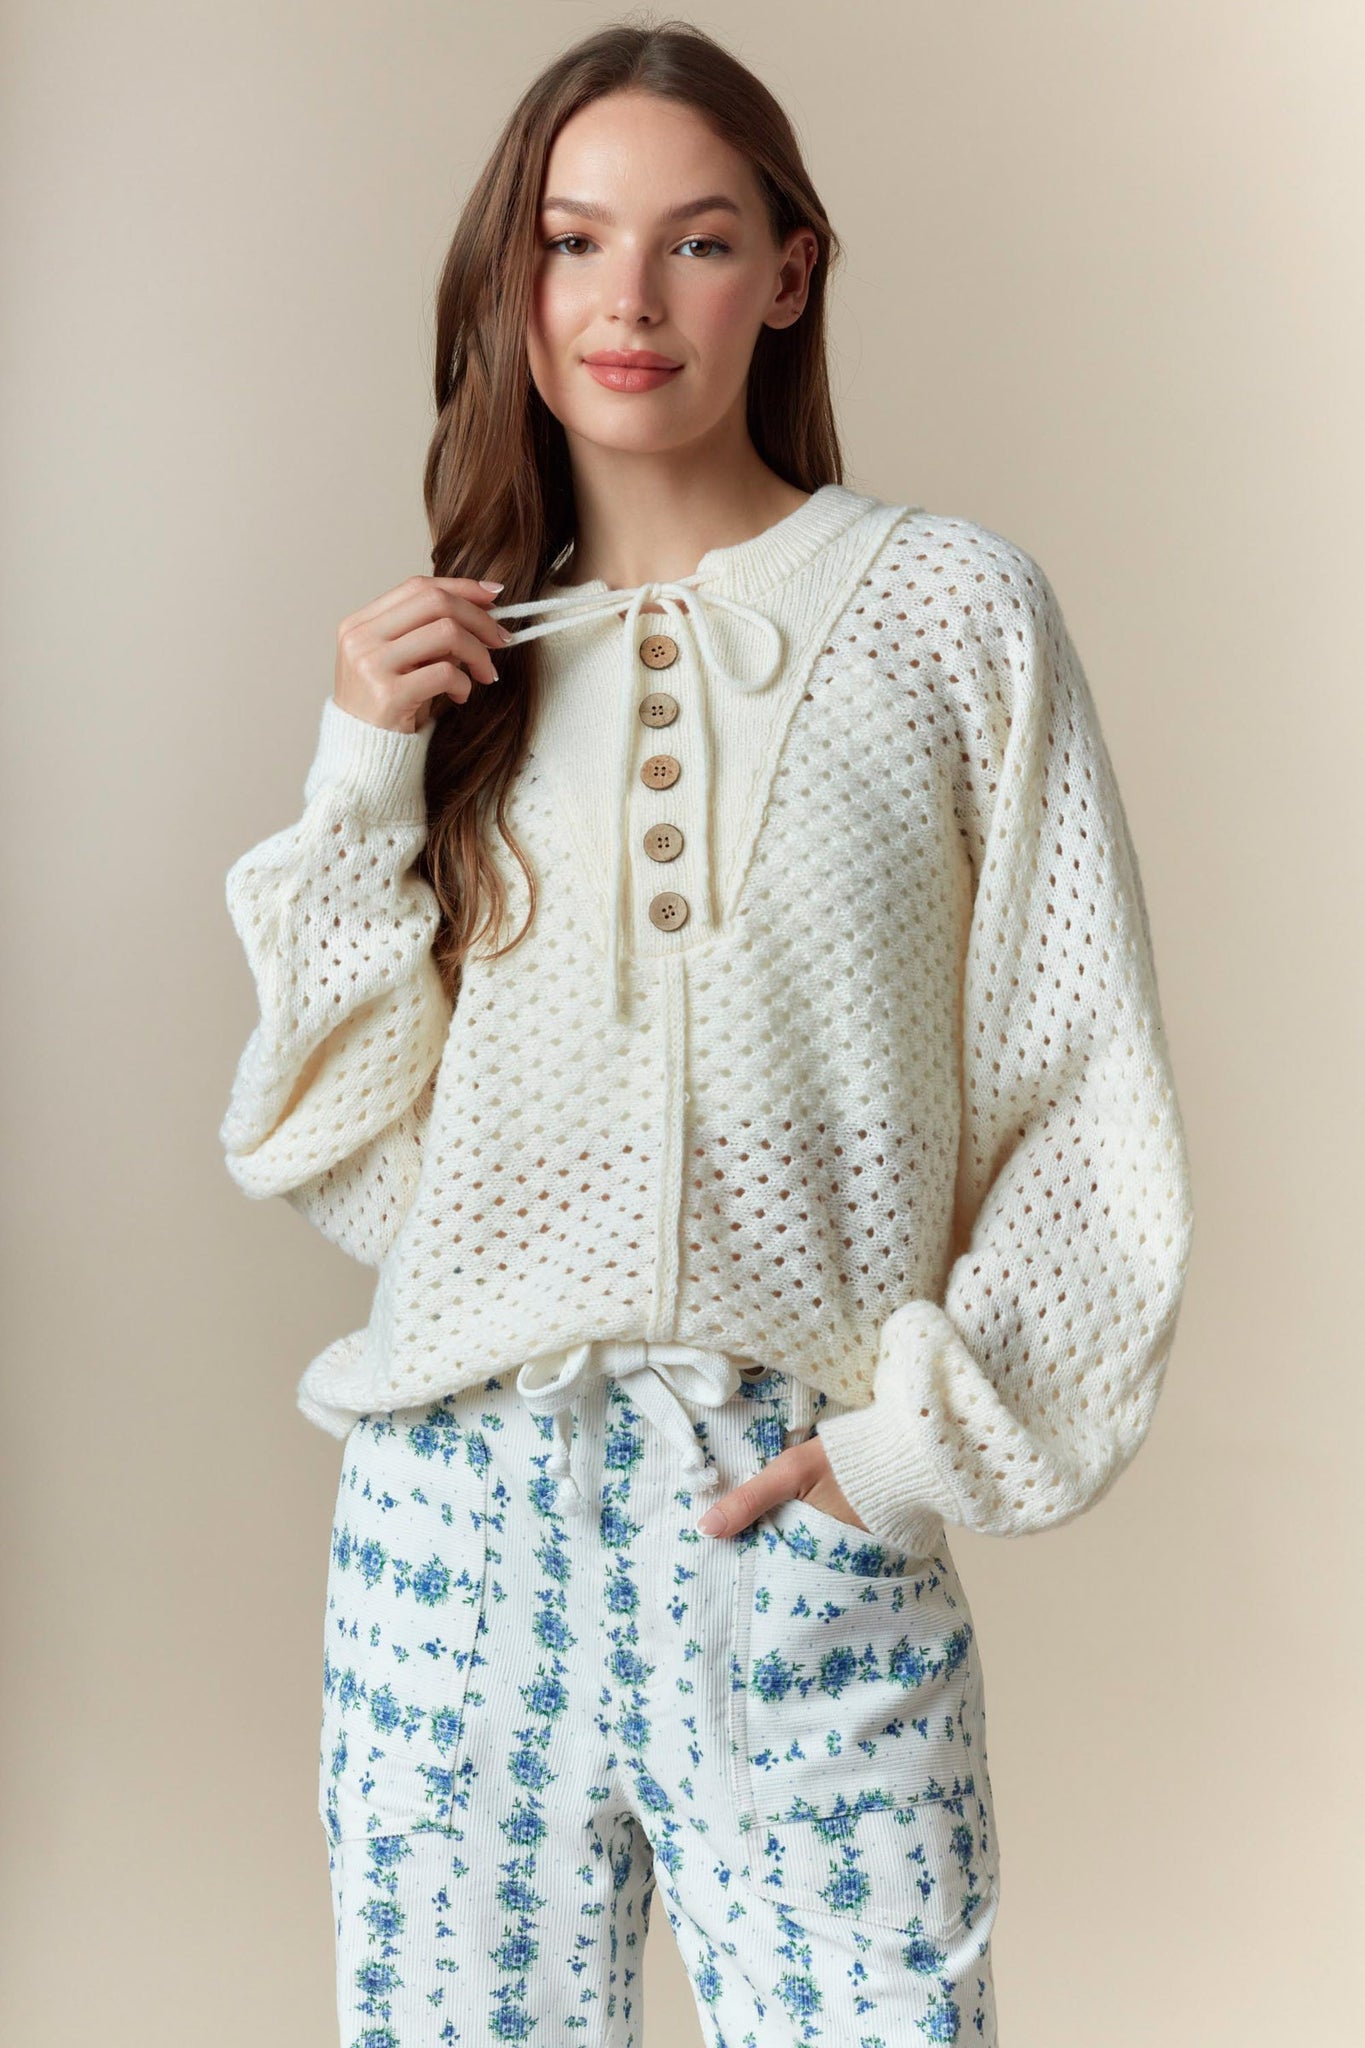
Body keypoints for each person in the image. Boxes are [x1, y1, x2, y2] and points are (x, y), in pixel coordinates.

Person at [218, 21, 1194, 2047]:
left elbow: (1079, 1093)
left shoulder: (951, 613)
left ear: (788, 272)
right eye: (572, 241)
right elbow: (351, 1154)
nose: (629, 301)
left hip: (789, 1514)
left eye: (696, 240)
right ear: (512, 280)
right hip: (454, 1538)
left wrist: (895, 1455)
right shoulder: (453, 677)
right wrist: (361, 767)